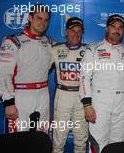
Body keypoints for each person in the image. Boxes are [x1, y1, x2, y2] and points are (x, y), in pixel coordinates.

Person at [79, 14, 124, 153]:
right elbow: (84, 77)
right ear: (106, 28)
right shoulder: (93, 49)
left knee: (117, 144)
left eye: (120, 27)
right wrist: (87, 105)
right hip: (100, 101)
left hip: (122, 101)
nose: (117, 30)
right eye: (113, 27)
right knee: (99, 143)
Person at [0, 4, 53, 132]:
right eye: (39, 18)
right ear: (30, 18)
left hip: (43, 94)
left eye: (46, 20)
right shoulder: (13, 41)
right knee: (18, 141)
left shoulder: (49, 43)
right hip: (21, 96)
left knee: (42, 138)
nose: (43, 23)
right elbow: (3, 74)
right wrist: (9, 103)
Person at [51, 17, 88, 153]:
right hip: (62, 95)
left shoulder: (88, 50)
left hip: (82, 97)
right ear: (66, 32)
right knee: (59, 138)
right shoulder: (55, 49)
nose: (76, 34)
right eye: (73, 30)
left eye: (79, 31)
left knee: (81, 138)